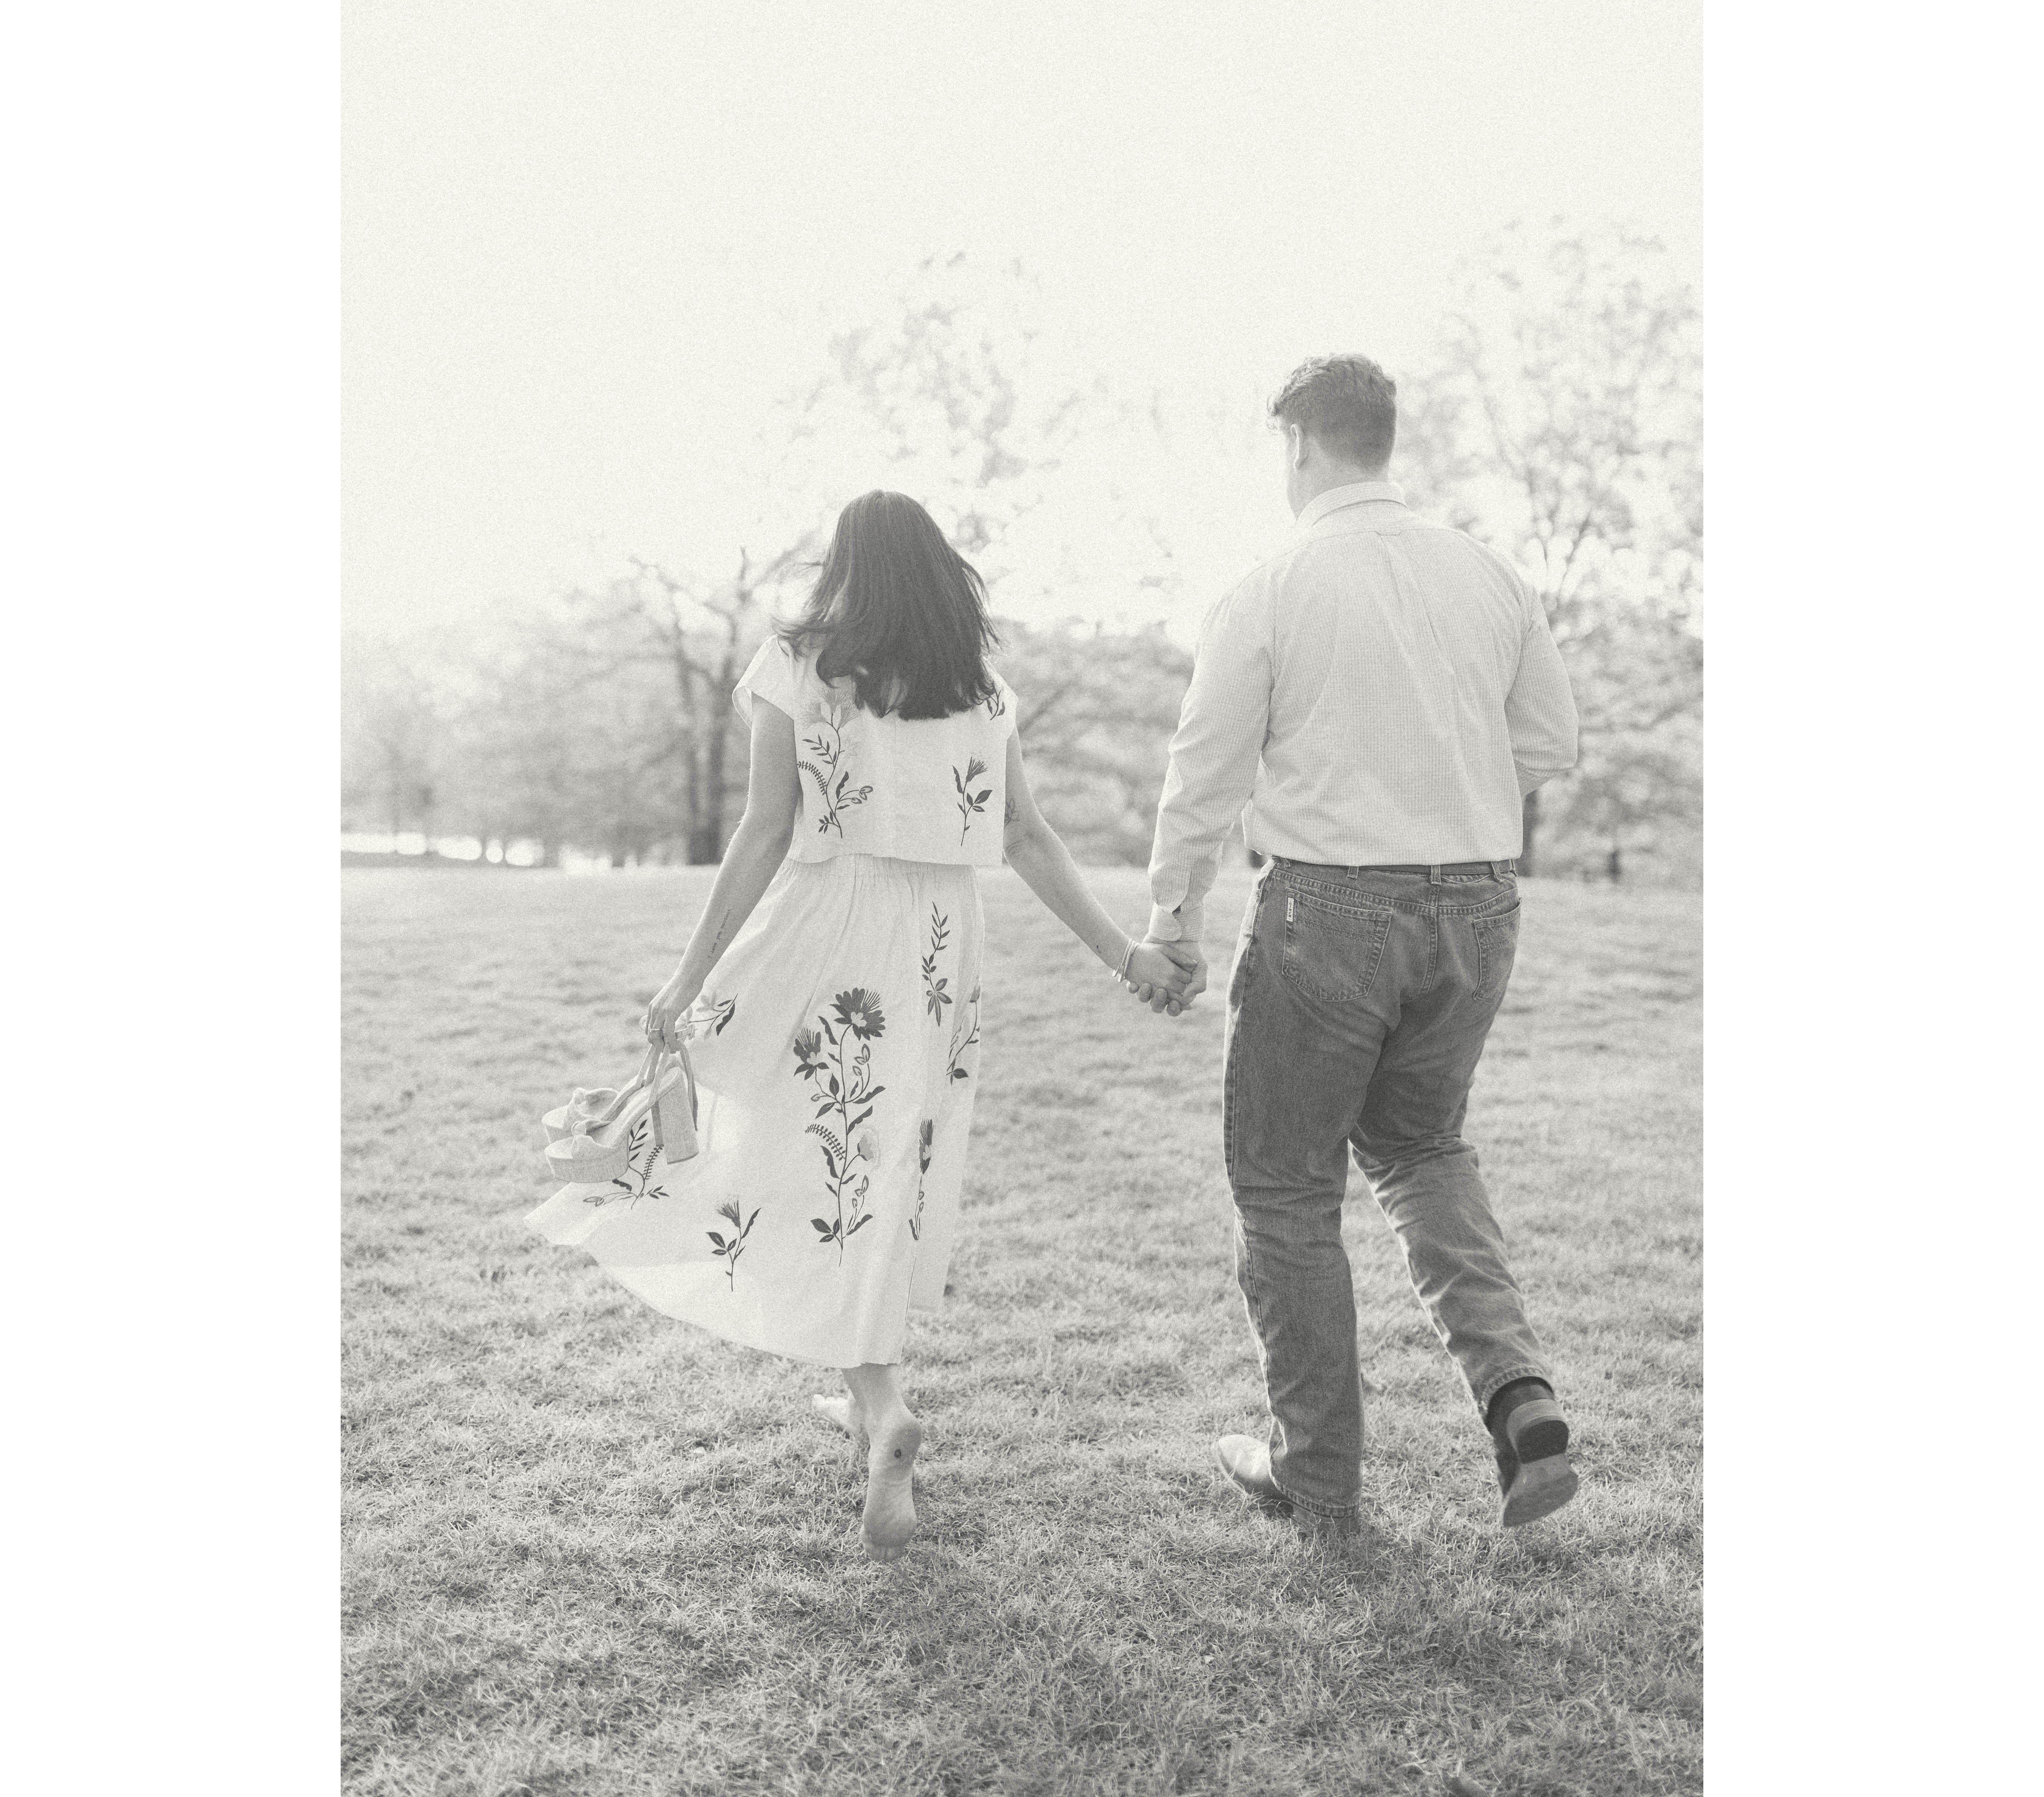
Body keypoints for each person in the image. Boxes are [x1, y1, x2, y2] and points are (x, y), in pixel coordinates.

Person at [526, 490, 1192, 1561]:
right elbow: (1027, 837)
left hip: (825, 924)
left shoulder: (797, 665)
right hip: (938, 948)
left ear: (845, 571)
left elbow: (764, 831)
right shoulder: (981, 692)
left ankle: (880, 1404)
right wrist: (1127, 959)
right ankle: (872, 1394)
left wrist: (688, 978)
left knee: (803, 1150)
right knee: (883, 1166)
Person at [1142, 354, 1581, 1542]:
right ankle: (1519, 1396)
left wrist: (1172, 922)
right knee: (1424, 1148)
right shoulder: (1489, 573)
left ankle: (1317, 1475)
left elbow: (1202, 777)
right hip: (1478, 904)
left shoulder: (1271, 586)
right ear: (1384, 438)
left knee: (1287, 1186)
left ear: (1297, 443)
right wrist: (1445, 787)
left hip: (1327, 910)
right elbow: (1550, 743)